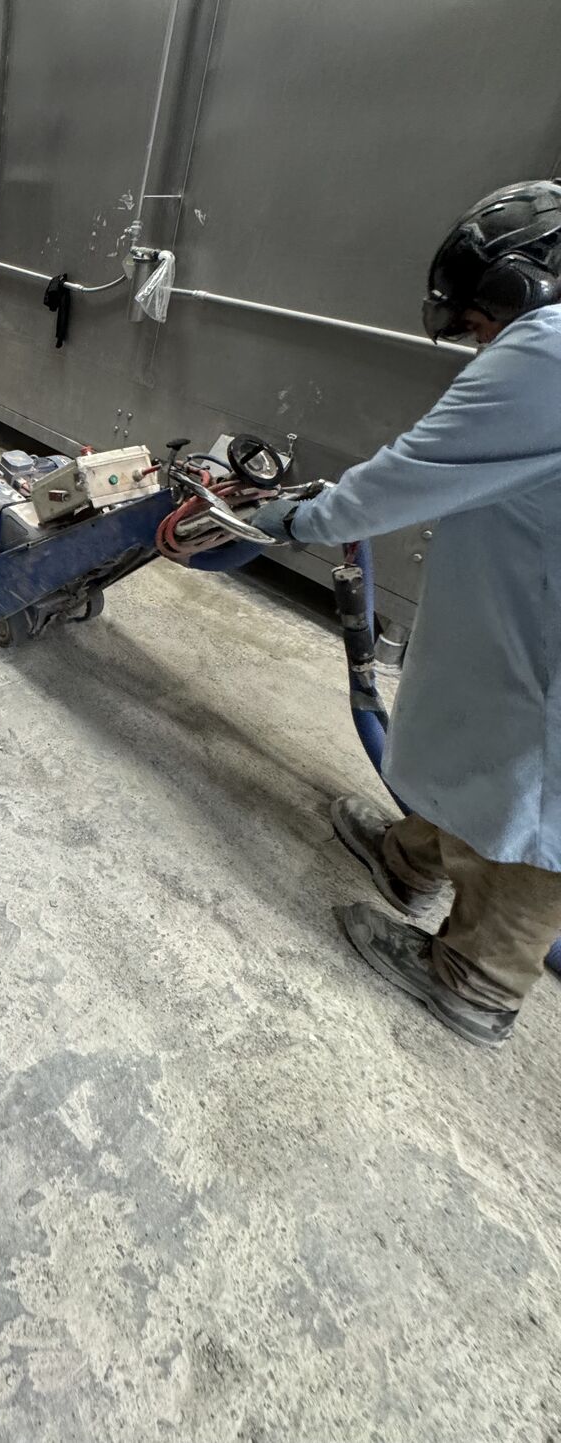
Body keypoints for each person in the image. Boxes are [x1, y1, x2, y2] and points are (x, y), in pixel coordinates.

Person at [253, 180, 561, 1049]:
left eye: (475, 322)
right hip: (529, 600)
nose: (476, 340)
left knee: (540, 796)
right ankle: (413, 858)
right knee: (476, 718)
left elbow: (412, 471)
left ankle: (476, 981)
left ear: (515, 286)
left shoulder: (547, 351)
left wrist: (303, 519)